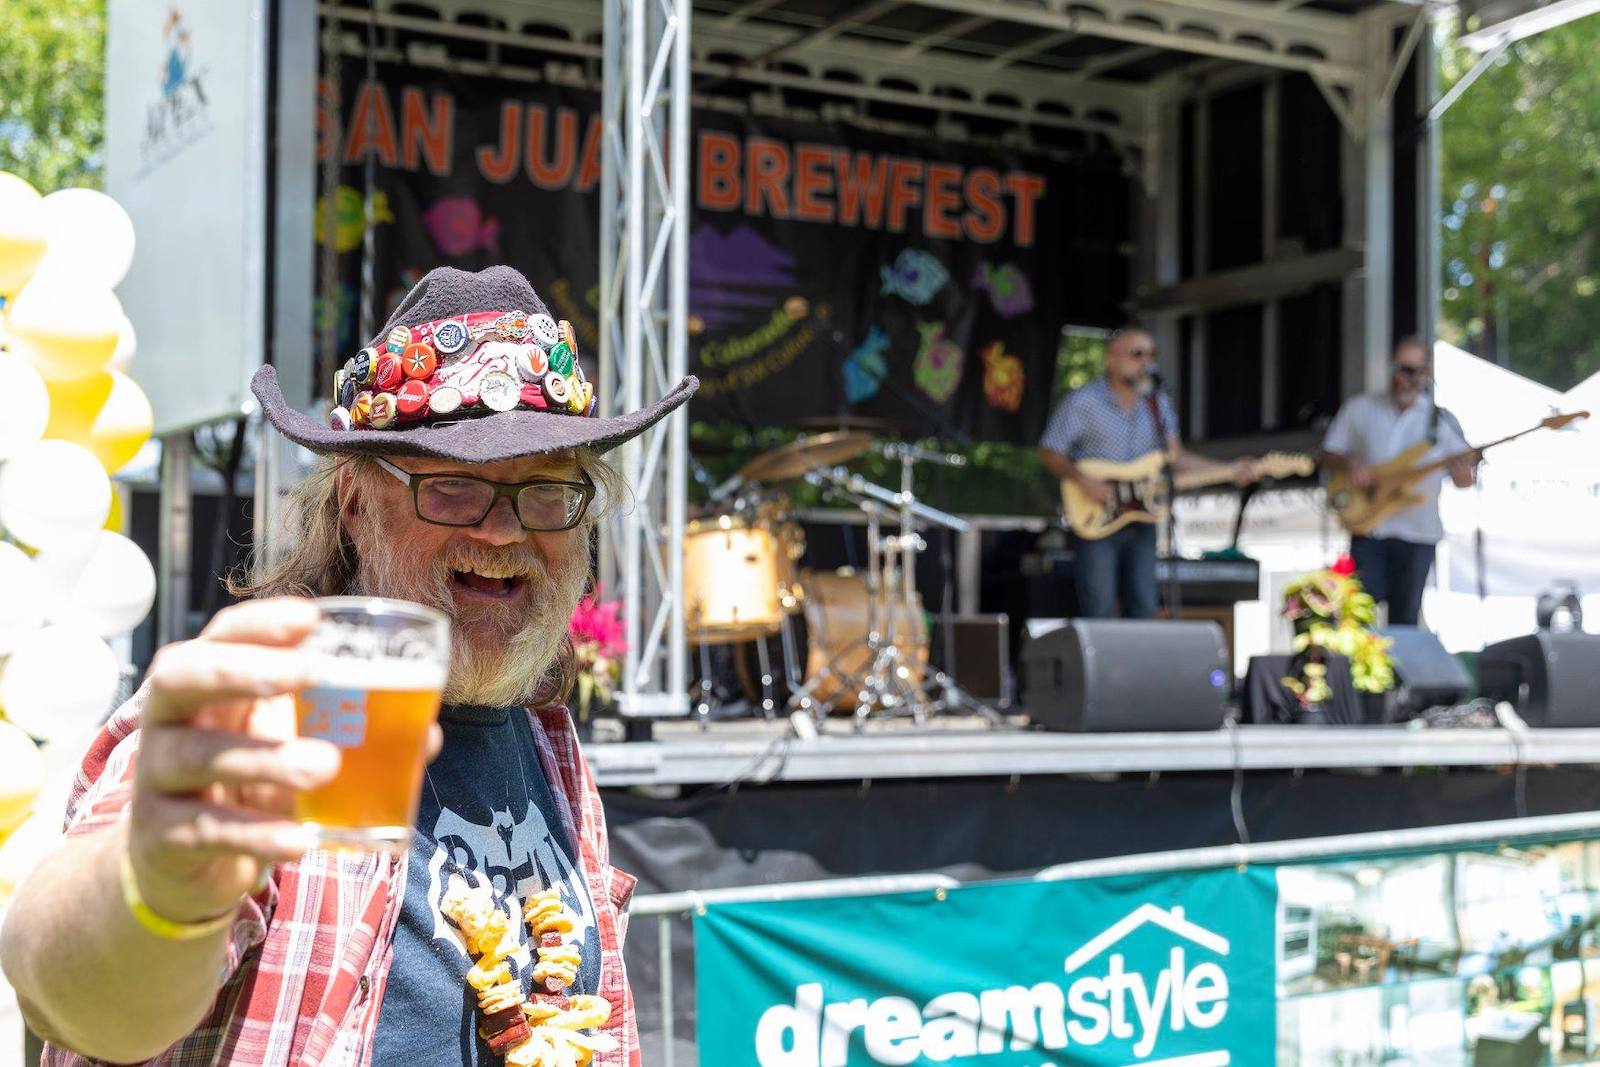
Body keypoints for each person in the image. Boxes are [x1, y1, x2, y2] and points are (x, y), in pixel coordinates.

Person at [0, 266, 697, 1066]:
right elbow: (70, 998)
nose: (505, 530)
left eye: (547, 492)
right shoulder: (268, 706)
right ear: (357, 506)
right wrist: (160, 888)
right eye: (454, 485)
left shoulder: (550, 744)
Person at [1037, 326, 1254, 618]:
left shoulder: (1156, 404)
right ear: (1111, 359)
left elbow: (1175, 458)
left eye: (1152, 354)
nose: (1146, 362)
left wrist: (1228, 470)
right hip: (1095, 516)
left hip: (1142, 517)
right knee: (1099, 606)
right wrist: (1083, 480)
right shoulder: (1084, 401)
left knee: (1145, 604)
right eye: (1137, 354)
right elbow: (1049, 451)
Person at [1322, 337, 1476, 627]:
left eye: (1407, 370)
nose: (1398, 377)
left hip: (1418, 532)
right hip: (1369, 525)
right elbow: (1330, 452)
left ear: (1424, 374)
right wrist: (1351, 463)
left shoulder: (1440, 421)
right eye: (1396, 368)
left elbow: (1464, 480)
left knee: (1404, 620)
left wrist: (1464, 470)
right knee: (1357, 614)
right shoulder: (1360, 408)